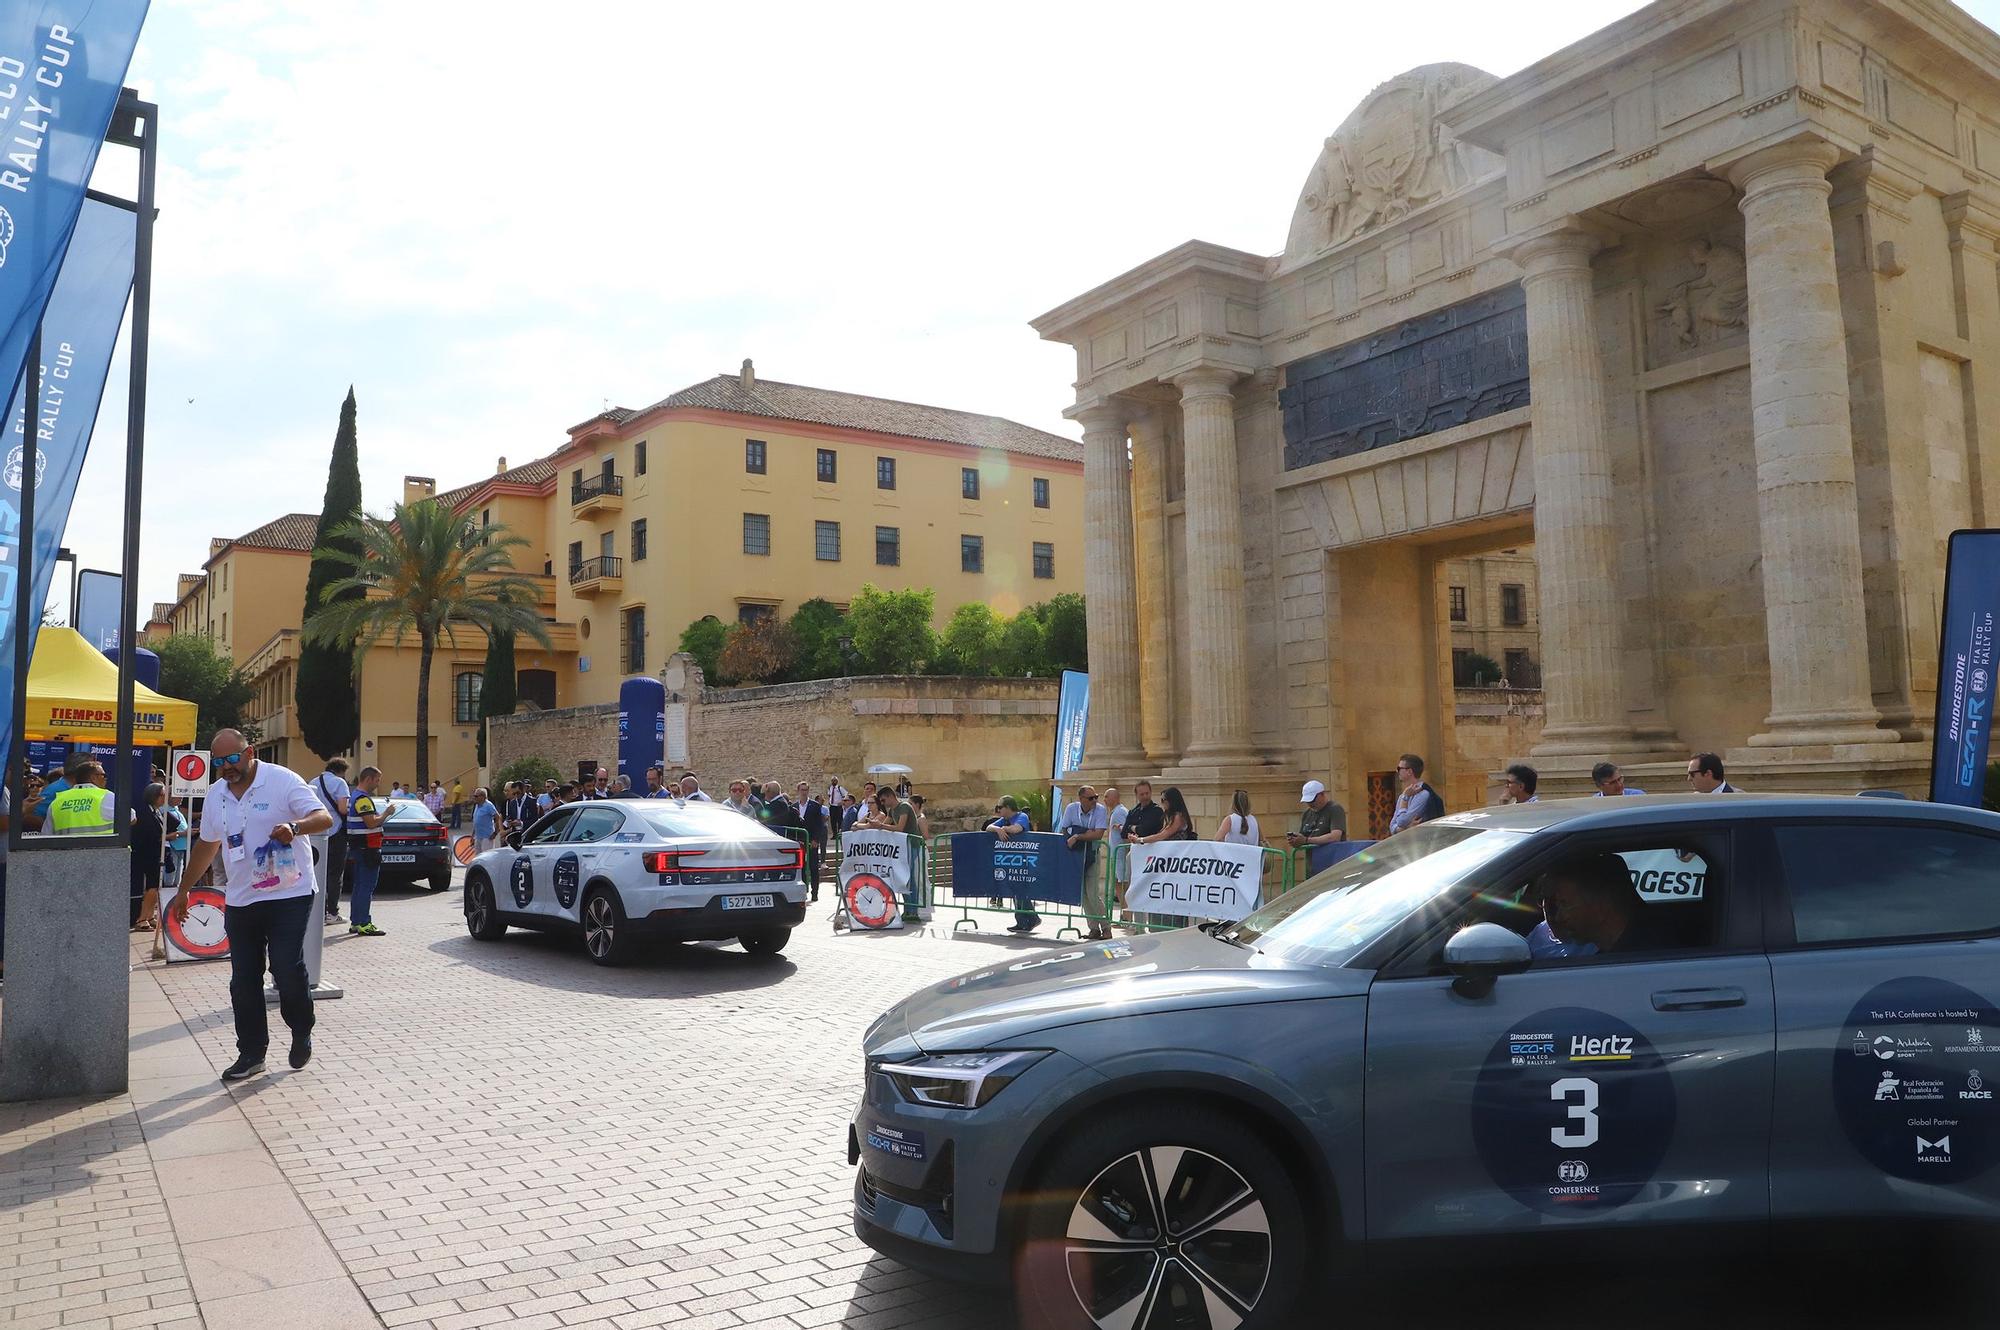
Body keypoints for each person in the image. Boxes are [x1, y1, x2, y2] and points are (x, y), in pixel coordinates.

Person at [169, 729, 335, 1081]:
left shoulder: (282, 780)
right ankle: (251, 1053)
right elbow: (207, 844)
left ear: (250, 753)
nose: (227, 768)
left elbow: (325, 818)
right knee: (243, 979)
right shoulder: (216, 795)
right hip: (242, 897)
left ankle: (301, 1028)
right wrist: (184, 890)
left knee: (286, 968)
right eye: (219, 763)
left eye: (232, 759)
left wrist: (295, 825)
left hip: (289, 893)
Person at [1537, 852, 1680, 955]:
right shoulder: (1616, 954)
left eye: (1564, 904)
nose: (1558, 917)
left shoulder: (1646, 958)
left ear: (1601, 904)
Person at [1058, 787, 1111, 940]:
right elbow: (1064, 829)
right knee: (1083, 895)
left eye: (1096, 797)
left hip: (1092, 854)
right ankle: (1093, 928)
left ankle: (1106, 927)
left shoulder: (1100, 810)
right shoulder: (1071, 808)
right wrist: (1082, 834)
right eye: (1091, 798)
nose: (1095, 800)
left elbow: (1098, 834)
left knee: (1093, 894)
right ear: (1081, 799)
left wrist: (1077, 836)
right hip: (1076, 855)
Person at [344, 766, 388, 937]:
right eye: (377, 780)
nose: (378, 784)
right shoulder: (362, 799)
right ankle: (363, 922)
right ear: (368, 779)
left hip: (360, 847)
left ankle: (356, 921)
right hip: (368, 848)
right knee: (366, 886)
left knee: (359, 885)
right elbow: (371, 822)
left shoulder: (355, 796)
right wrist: (386, 814)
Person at [313, 758, 352, 926]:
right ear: (341, 770)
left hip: (316, 833)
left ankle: (317, 911)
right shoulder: (339, 783)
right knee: (335, 875)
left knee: (318, 873)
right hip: (336, 832)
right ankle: (332, 912)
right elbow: (343, 809)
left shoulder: (313, 782)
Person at [131, 782, 168, 935]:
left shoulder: (157, 811)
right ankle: (142, 918)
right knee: (151, 886)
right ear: (155, 796)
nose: (165, 798)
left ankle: (150, 915)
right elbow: (148, 834)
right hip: (145, 854)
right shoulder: (144, 812)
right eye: (163, 795)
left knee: (155, 886)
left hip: (155, 853)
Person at [47, 760, 115, 835]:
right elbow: (130, 818)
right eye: (103, 775)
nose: (105, 779)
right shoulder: (106, 796)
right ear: (93, 778)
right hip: (102, 846)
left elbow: (46, 835)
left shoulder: (58, 801)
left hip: (66, 846)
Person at [1389, 754, 1445, 833]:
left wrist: (1405, 798)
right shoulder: (1403, 795)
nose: (1397, 771)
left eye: (1399, 768)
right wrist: (1406, 829)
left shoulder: (1423, 795)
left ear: (1409, 771)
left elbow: (1401, 822)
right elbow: (1392, 826)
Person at [1287, 780, 1346, 855]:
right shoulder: (1307, 814)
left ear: (1322, 794)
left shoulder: (1334, 809)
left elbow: (1335, 837)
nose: (1310, 804)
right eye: (1307, 801)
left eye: (1312, 800)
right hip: (1313, 863)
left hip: (1333, 861)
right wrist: (1296, 840)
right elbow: (1303, 838)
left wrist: (1307, 840)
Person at [795, 782, 829, 901]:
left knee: (813, 867)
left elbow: (819, 824)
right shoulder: (794, 806)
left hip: (811, 842)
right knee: (801, 868)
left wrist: (816, 839)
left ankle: (815, 893)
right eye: (802, 790)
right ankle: (803, 892)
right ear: (798, 791)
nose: (804, 792)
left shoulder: (815, 806)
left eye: (806, 790)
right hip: (800, 842)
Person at [470, 787, 498, 854]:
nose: (474, 798)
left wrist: (495, 833)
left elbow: (497, 817)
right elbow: (476, 822)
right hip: (478, 836)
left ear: (482, 797)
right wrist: (472, 836)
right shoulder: (477, 806)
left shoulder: (488, 805)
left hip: (487, 836)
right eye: (474, 796)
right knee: (478, 856)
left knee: (486, 856)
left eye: (476, 796)